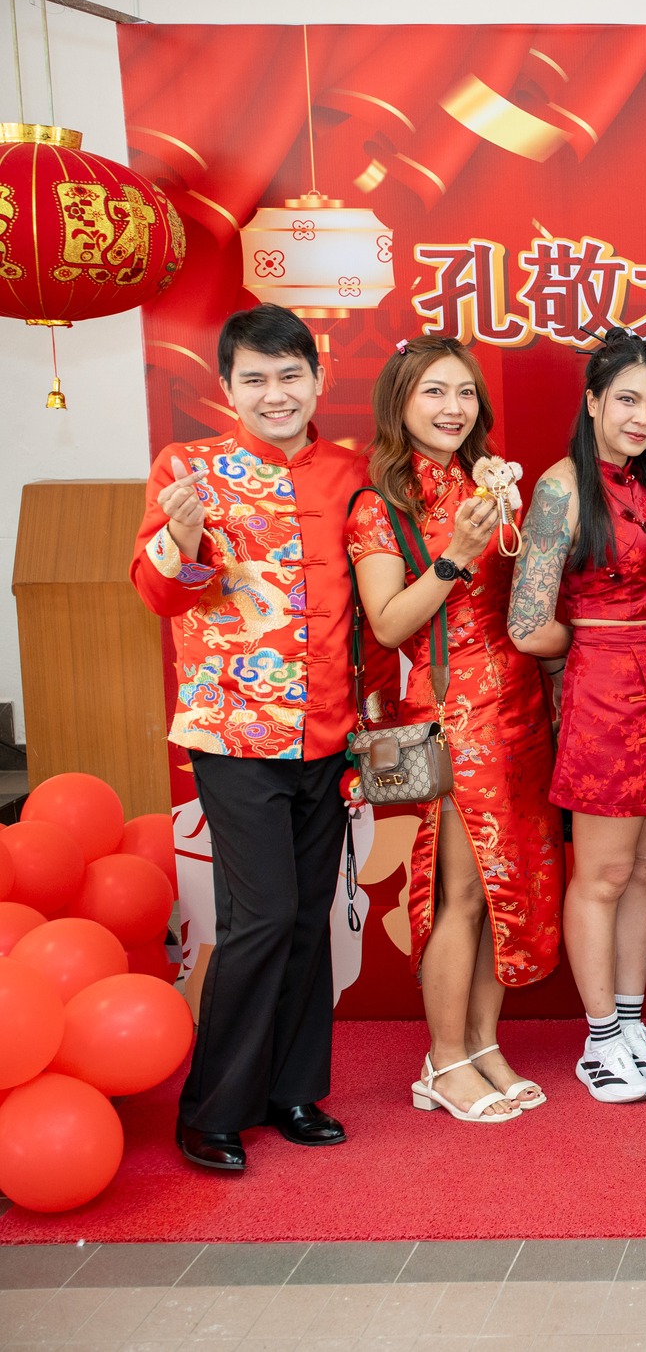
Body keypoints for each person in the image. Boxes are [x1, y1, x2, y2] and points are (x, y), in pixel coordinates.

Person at [131, 304, 368, 1171]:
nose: (276, 394)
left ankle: (292, 1092)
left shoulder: (351, 472)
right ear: (228, 389)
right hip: (234, 732)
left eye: (290, 376)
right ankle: (211, 1109)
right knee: (259, 917)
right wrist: (182, 535)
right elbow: (159, 594)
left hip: (329, 731)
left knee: (308, 918)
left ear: (318, 379)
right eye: (256, 379)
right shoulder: (186, 468)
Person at [347, 337, 563, 1123]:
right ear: (399, 402)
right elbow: (387, 621)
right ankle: (443, 1061)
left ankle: (482, 1044)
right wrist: (455, 556)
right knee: (459, 892)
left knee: (507, 888)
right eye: (434, 392)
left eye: (465, 392)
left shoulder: (491, 481)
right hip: (453, 716)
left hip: (519, 710)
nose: (453, 408)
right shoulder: (383, 503)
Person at [508, 329, 646, 1104]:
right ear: (593, 401)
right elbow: (527, 625)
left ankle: (630, 1025)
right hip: (604, 694)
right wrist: (596, 642)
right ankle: (598, 1040)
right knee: (601, 875)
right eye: (627, 400)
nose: (643, 417)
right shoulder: (561, 488)